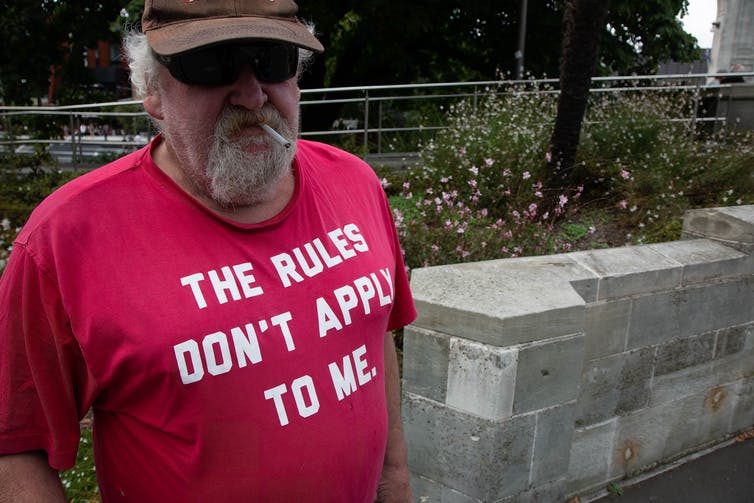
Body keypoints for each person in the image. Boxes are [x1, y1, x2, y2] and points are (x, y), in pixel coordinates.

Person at [0, 1, 416, 502]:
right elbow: (14, 444)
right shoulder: (64, 239)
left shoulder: (356, 183)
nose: (252, 94)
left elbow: (372, 333)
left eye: (273, 60)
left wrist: (395, 481)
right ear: (152, 93)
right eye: (213, 64)